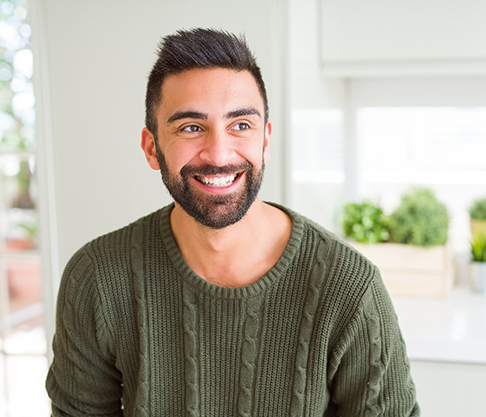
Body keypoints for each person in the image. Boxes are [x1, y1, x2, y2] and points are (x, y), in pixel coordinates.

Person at [46, 28, 420, 416]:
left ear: (266, 140)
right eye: (191, 127)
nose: (220, 153)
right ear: (152, 147)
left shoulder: (349, 289)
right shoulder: (97, 278)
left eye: (241, 125)